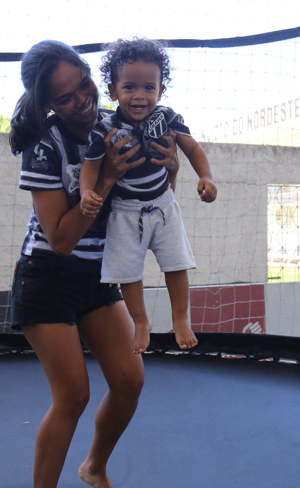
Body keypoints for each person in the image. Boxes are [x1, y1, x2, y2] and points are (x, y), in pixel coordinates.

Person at [8, 40, 179, 488]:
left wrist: (171, 168)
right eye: (65, 98)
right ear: (48, 105)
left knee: (129, 382)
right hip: (47, 278)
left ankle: (95, 467)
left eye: (83, 84)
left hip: (99, 275)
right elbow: (60, 240)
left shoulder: (124, 121)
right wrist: (103, 180)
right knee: (73, 395)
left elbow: (154, 200)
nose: (81, 100)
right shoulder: (47, 146)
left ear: (92, 76)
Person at [79, 38, 218, 355]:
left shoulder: (167, 117)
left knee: (176, 262)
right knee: (126, 271)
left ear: (160, 90)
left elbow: (192, 148)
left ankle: (180, 317)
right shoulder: (105, 128)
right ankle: (140, 321)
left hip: (163, 204)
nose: (139, 96)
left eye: (148, 87)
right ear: (113, 91)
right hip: (124, 211)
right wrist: (88, 191)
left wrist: (206, 177)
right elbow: (91, 166)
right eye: (129, 87)